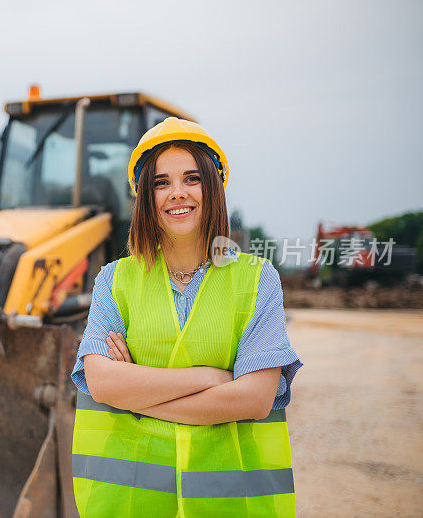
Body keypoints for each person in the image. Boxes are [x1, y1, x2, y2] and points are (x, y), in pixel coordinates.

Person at [71, 117, 302, 517]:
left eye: (191, 178)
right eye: (161, 183)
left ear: (212, 189)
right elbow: (102, 381)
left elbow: (256, 397)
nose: (177, 193)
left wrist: (137, 395)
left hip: (227, 502)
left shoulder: (257, 279)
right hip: (133, 501)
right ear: (146, 197)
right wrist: (209, 378)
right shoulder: (115, 281)